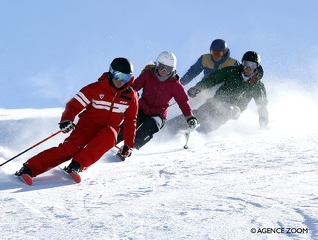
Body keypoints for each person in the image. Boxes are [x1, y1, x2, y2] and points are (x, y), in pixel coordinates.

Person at [15, 57, 139, 185]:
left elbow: (131, 120)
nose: (120, 81)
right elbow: (74, 105)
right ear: (111, 72)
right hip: (87, 126)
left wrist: (128, 145)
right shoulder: (95, 89)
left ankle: (76, 166)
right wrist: (66, 120)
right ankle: (29, 168)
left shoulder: (131, 97)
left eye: (126, 78)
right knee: (70, 149)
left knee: (111, 135)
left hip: (107, 130)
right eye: (118, 75)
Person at [116, 51, 197, 157]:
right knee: (130, 123)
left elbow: (183, 102)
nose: (164, 71)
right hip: (141, 108)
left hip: (158, 115)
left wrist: (190, 117)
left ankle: (129, 148)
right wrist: (131, 96)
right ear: (157, 64)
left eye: (168, 69)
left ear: (172, 69)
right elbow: (134, 87)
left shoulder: (176, 85)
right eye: (162, 66)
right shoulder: (148, 75)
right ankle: (110, 141)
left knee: (150, 126)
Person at [167, 51, 269, 134]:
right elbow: (212, 80)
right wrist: (197, 88)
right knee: (199, 114)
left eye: (252, 65)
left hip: (235, 108)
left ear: (257, 67)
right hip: (217, 101)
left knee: (226, 111)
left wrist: (264, 125)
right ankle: (168, 128)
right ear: (242, 63)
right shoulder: (232, 71)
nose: (248, 67)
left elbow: (262, 105)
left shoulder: (258, 85)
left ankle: (198, 134)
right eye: (246, 64)